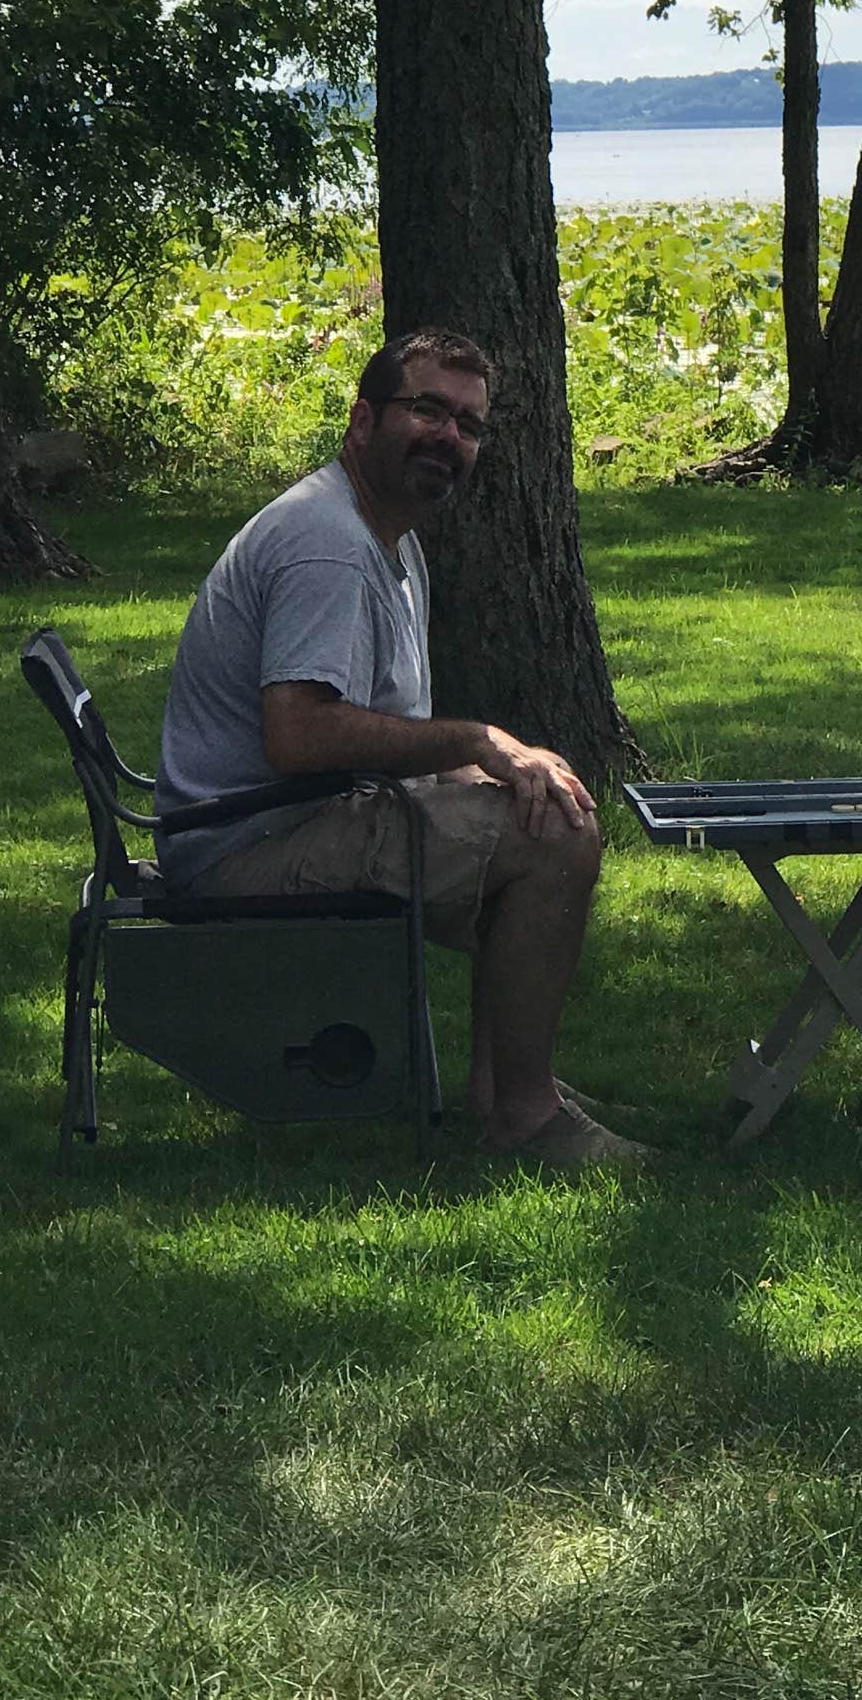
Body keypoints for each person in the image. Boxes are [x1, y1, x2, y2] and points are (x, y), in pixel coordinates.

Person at [155, 326, 644, 1170]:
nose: (448, 436)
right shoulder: (329, 546)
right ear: (363, 420)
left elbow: (377, 728)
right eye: (427, 410)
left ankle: (504, 1089)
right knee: (556, 840)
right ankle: (525, 1117)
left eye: (468, 425)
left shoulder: (389, 537)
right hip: (246, 844)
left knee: (534, 807)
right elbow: (298, 734)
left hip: (290, 817)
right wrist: (477, 739)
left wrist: (499, 769)